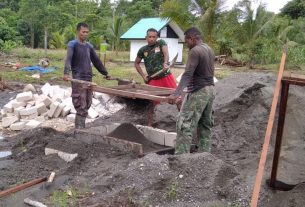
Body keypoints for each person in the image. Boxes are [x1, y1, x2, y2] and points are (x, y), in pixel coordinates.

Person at [168, 27, 215, 154]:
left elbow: (188, 74)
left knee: (184, 125)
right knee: (205, 125)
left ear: (192, 38)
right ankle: (204, 156)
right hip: (210, 90)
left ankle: (181, 159)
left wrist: (176, 93)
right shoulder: (208, 49)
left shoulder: (195, 51)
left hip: (199, 90)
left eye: (187, 41)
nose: (186, 44)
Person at [63, 22, 110, 129]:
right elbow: (68, 59)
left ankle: (81, 128)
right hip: (78, 80)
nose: (85, 34)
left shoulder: (89, 46)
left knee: (88, 103)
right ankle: (79, 130)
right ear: (78, 32)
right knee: (80, 104)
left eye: (87, 32)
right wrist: (66, 73)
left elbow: (96, 61)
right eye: (83, 32)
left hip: (88, 79)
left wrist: (105, 73)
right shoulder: (72, 44)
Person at [135, 28, 177, 126]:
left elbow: (166, 53)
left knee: (176, 98)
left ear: (157, 37)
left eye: (154, 37)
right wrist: (143, 76)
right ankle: (150, 124)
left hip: (166, 77)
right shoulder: (142, 50)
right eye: (150, 37)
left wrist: (165, 62)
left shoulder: (161, 43)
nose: (152, 39)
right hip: (152, 80)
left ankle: (183, 120)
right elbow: (136, 63)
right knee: (152, 103)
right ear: (146, 37)